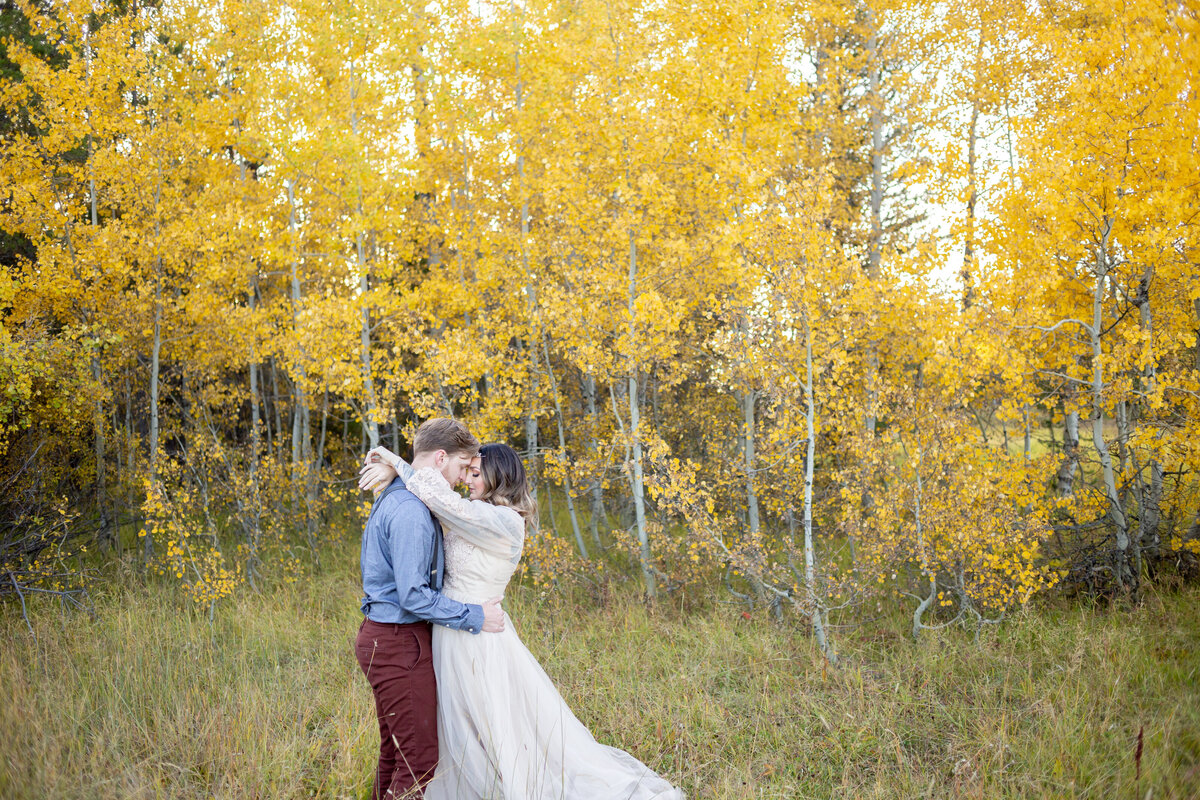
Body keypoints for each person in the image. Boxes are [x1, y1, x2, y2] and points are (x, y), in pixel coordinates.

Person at [359, 437, 685, 800]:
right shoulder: (473, 512)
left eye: (476, 473)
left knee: (494, 732)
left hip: (476, 636)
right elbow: (434, 501)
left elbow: (438, 497)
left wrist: (396, 461)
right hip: (449, 631)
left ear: (499, 477)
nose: (468, 479)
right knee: (453, 733)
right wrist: (401, 473)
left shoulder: (503, 521)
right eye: (467, 470)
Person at [355, 418, 506, 800]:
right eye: (460, 468)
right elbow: (413, 596)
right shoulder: (410, 511)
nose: (460, 479)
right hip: (398, 642)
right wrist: (474, 616)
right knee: (418, 762)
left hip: (389, 639)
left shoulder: (401, 494)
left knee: (396, 753)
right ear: (441, 458)